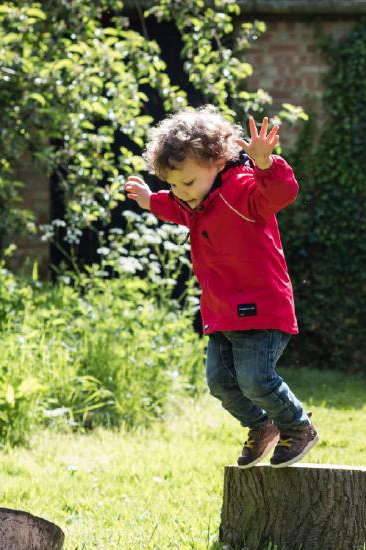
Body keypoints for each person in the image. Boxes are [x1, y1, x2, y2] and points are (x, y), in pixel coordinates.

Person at [124, 106, 318, 467]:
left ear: (217, 161)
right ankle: (262, 426)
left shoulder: (243, 190)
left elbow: (279, 193)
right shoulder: (196, 202)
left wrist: (265, 164)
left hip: (262, 308)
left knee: (257, 380)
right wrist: (151, 200)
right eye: (173, 185)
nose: (181, 193)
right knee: (221, 383)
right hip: (222, 312)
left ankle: (298, 426)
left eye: (187, 183)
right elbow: (176, 208)